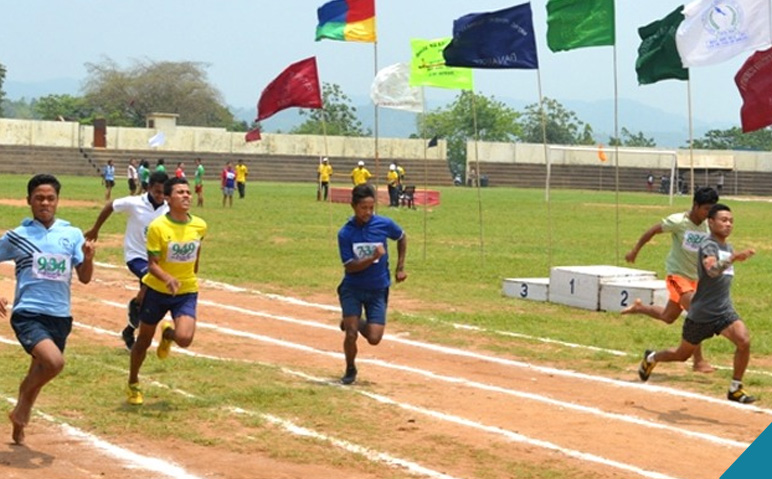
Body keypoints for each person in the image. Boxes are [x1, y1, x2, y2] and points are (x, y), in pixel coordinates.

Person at [0, 174, 95, 444]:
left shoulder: (72, 234)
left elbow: (85, 277)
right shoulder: (18, 236)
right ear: (28, 200)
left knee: (38, 370)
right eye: (39, 198)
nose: (45, 203)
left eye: (50, 198)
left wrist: (88, 258)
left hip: (60, 315)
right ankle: (22, 407)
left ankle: (19, 421)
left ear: (57, 201)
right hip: (28, 313)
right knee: (54, 363)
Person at [638, 204, 756, 404]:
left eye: (731, 221)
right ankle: (651, 358)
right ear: (711, 222)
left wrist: (732, 256)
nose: (728, 224)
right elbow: (711, 270)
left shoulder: (727, 247)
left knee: (744, 341)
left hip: (723, 311)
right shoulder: (708, 245)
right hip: (701, 314)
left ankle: (735, 388)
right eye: (723, 220)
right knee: (681, 355)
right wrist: (733, 258)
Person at [127, 177, 207, 406]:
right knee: (143, 340)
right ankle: (133, 381)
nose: (186, 196)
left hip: (186, 290)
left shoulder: (199, 225)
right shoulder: (158, 227)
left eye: (188, 192)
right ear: (168, 198)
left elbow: (197, 252)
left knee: (184, 339)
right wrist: (167, 278)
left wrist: (191, 274)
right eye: (180, 192)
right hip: (157, 290)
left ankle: (169, 335)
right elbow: (151, 264)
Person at [623, 186, 719, 373]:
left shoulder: (709, 226)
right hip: (676, 276)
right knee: (696, 311)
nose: (710, 213)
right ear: (695, 205)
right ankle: (698, 361)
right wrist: (635, 250)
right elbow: (652, 231)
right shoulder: (678, 222)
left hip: (696, 279)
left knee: (668, 317)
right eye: (706, 209)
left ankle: (639, 308)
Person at [84, 171, 169, 351]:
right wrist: (95, 229)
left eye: (163, 192)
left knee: (152, 301)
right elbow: (110, 206)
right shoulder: (134, 202)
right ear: (148, 188)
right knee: (151, 276)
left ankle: (130, 328)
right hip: (135, 256)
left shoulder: (168, 209)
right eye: (157, 192)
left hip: (156, 259)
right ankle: (136, 305)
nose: (160, 196)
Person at [337, 184, 407, 385]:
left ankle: (353, 321)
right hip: (353, 288)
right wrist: (373, 257)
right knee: (351, 335)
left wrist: (399, 267)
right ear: (353, 206)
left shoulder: (383, 224)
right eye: (363, 208)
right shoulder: (345, 233)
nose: (367, 212)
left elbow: (401, 237)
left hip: (378, 288)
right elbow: (350, 267)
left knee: (374, 338)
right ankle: (350, 368)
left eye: (371, 207)